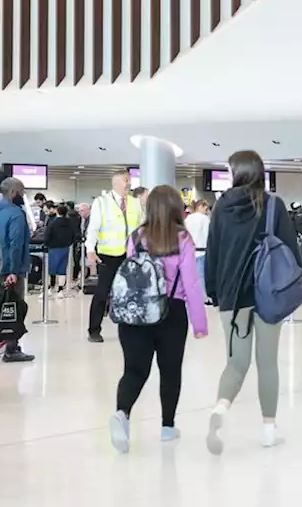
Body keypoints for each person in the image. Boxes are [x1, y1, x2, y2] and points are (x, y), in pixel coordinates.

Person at [204, 150, 302, 454]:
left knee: (236, 363)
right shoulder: (273, 205)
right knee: (267, 363)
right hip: (267, 294)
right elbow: (290, 249)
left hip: (232, 298)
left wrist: (214, 291)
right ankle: (269, 430)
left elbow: (213, 252)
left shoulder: (222, 206)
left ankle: (220, 408)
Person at [109, 185, 209, 453]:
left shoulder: (137, 237)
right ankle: (167, 426)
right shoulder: (183, 239)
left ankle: (122, 413)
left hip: (135, 312)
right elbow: (191, 284)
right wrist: (200, 324)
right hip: (171, 312)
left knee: (134, 370)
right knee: (170, 369)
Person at [85, 171, 144, 343]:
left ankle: (131, 326)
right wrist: (90, 250)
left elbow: (141, 227)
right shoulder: (101, 202)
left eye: (129, 181)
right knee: (102, 293)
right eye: (125, 181)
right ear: (115, 183)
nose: (128, 184)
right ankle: (94, 330)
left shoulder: (135, 203)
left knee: (131, 293)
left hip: (130, 256)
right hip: (108, 254)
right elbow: (93, 228)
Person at [0, 177, 36, 363]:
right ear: (14, 192)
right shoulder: (16, 214)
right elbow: (15, 244)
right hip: (11, 269)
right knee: (13, 308)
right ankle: (12, 348)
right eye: (22, 192)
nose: (23, 196)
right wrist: (13, 270)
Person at [43, 203, 75, 293]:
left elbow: (47, 235)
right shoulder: (70, 223)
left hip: (53, 248)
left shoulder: (53, 223)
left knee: (51, 269)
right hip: (65, 248)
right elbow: (74, 234)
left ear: (57, 212)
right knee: (62, 269)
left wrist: (46, 243)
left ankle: (50, 287)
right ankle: (61, 289)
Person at [185, 199, 211, 285]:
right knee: (201, 279)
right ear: (200, 207)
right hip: (202, 253)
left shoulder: (187, 219)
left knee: (190, 279)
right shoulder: (205, 219)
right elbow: (208, 236)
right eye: (206, 209)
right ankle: (203, 298)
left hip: (190, 253)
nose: (206, 212)